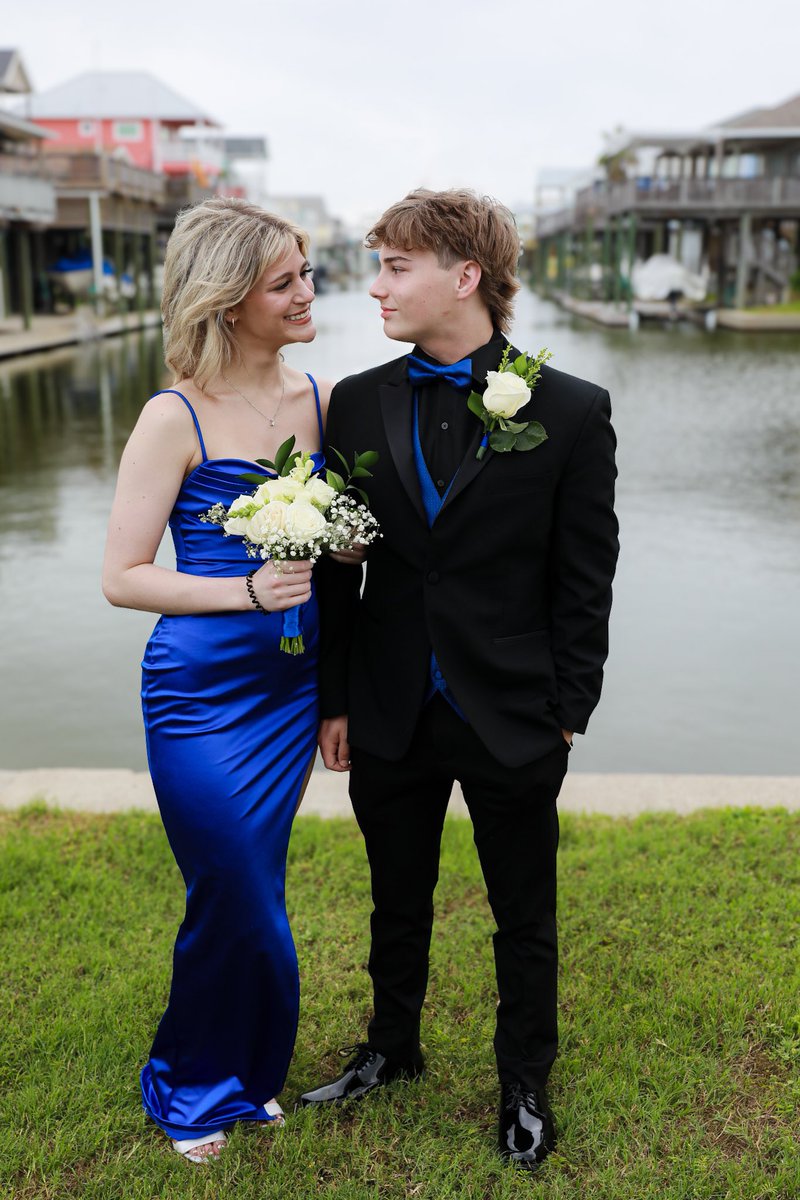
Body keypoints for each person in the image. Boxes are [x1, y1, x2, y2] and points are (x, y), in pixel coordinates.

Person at [301, 189, 619, 1172]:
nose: (376, 285)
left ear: (464, 276)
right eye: (378, 265)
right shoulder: (353, 400)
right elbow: (334, 562)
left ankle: (522, 1080)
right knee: (394, 896)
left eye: (395, 266)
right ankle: (389, 1052)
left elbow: (583, 577)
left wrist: (566, 711)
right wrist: (336, 697)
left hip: (513, 709)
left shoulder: (569, 409)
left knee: (523, 908)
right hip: (389, 702)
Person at [102, 196, 358, 1164]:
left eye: (304, 273)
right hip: (200, 697)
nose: (306, 291)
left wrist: (342, 543)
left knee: (258, 884)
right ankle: (189, 1087)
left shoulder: (321, 401)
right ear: (226, 298)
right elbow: (122, 576)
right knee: (236, 893)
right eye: (284, 280)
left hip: (291, 689)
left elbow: (339, 554)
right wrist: (243, 588)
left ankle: (245, 1075)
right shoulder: (172, 415)